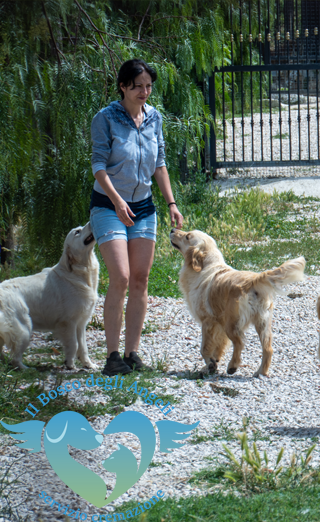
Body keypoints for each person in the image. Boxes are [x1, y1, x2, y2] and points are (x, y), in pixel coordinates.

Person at [89, 58, 183, 376]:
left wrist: (171, 203)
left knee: (140, 280)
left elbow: (159, 163)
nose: (144, 92)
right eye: (138, 86)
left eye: (148, 87)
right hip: (108, 205)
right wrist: (116, 201)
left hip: (143, 207)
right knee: (121, 277)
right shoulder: (105, 118)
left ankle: (132, 353)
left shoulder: (154, 117)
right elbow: (99, 166)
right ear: (123, 86)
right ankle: (112, 355)